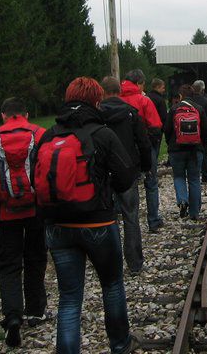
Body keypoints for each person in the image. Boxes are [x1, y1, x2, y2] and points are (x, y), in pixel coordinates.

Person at [36, 77, 138, 354]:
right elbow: (126, 177)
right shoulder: (102, 134)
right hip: (98, 222)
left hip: (58, 225)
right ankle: (120, 343)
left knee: (69, 297)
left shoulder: (48, 136)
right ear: (97, 101)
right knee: (112, 285)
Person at [0, 97, 48, 347]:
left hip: (5, 212)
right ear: (26, 114)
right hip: (36, 208)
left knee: (8, 265)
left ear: (3, 115)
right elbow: (47, 170)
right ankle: (36, 311)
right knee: (36, 258)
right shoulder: (40, 134)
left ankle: (13, 316)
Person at [99, 76, 153, 276]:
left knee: (106, 218)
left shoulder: (96, 115)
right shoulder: (131, 114)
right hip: (128, 171)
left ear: (102, 92)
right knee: (131, 217)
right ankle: (135, 263)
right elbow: (144, 143)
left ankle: (109, 263)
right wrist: (145, 167)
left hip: (103, 173)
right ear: (119, 92)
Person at [121, 69, 165, 232]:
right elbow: (156, 125)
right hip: (144, 148)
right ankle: (153, 220)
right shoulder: (144, 100)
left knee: (127, 185)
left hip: (123, 150)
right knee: (151, 183)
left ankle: (129, 222)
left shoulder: (116, 99)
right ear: (139, 83)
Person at [164, 84, 207, 219]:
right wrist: (202, 146)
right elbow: (206, 131)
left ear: (180, 96)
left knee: (179, 177)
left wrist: (170, 144)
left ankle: (183, 200)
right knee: (194, 179)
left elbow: (166, 130)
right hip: (195, 150)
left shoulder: (174, 109)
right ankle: (194, 213)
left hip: (176, 150)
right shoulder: (199, 109)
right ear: (193, 95)